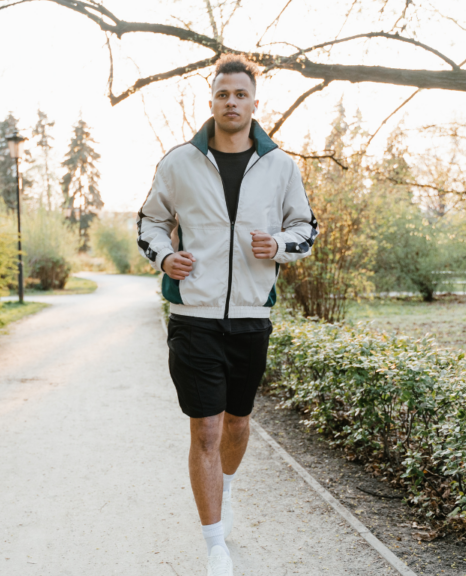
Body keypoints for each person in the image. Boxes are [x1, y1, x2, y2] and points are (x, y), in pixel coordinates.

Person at [136, 53, 318, 576]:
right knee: (207, 431)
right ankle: (215, 544)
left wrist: (279, 245)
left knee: (238, 423)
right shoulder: (178, 163)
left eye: (240, 94)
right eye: (222, 94)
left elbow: (306, 228)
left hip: (250, 318)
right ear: (211, 100)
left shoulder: (281, 166)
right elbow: (149, 221)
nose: (231, 102)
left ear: (254, 102)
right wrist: (164, 255)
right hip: (192, 316)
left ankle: (227, 488)